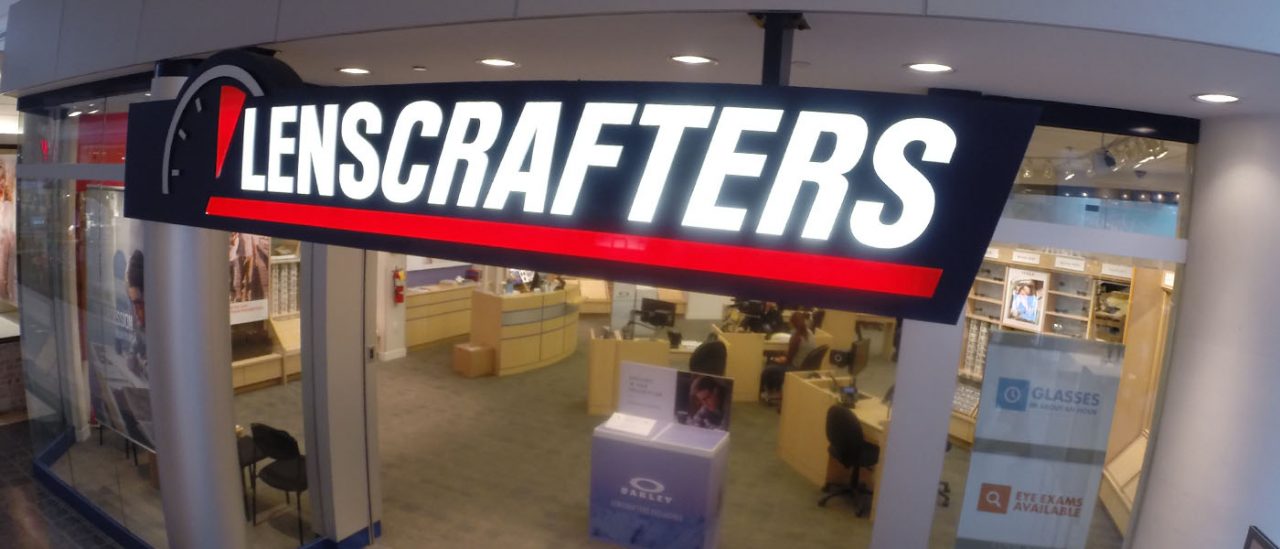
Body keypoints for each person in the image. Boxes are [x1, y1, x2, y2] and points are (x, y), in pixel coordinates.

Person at [759, 312, 817, 401]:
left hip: (795, 368)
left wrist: (778, 359)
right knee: (776, 361)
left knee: (768, 367)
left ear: (792, 323)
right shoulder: (810, 333)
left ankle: (768, 392)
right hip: (806, 367)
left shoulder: (796, 337)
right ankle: (776, 390)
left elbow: (788, 360)